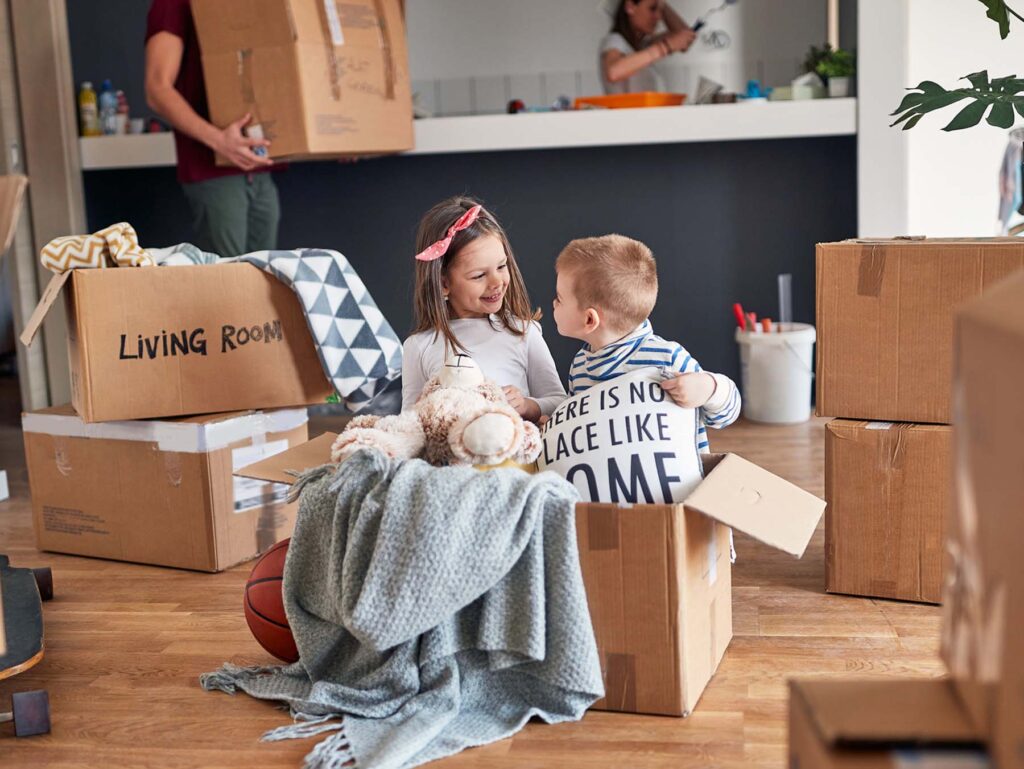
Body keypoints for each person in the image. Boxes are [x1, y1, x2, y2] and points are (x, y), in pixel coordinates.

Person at [552, 234, 741, 453]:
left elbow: (728, 412)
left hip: (675, 485)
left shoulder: (667, 359)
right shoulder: (580, 367)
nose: (553, 303)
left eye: (559, 298)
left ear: (589, 320)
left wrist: (708, 388)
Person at [401, 197, 565, 423]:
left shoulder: (523, 332)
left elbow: (559, 401)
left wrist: (528, 406)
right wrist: (422, 411)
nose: (496, 281)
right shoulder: (419, 346)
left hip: (515, 454)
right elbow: (407, 424)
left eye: (501, 266)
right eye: (479, 275)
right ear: (444, 284)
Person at [144, 0, 280, 258]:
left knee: (267, 281)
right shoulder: (173, 4)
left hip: (260, 166)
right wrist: (219, 141)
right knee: (225, 284)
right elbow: (156, 89)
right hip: (213, 169)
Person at [601, 0, 697, 94]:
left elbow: (684, 36)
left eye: (660, 11)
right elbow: (613, 72)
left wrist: (661, 4)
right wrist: (665, 47)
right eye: (652, 9)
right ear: (630, 7)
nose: (658, 17)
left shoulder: (643, 45)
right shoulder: (614, 40)